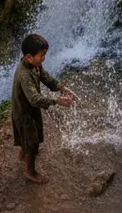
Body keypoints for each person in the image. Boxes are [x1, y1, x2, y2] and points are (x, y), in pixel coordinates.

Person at [11, 33, 75, 183]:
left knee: (29, 135)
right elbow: (34, 99)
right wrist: (57, 101)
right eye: (42, 55)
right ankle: (30, 171)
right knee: (32, 142)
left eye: (44, 54)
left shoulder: (35, 64)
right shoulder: (25, 75)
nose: (44, 58)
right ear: (28, 57)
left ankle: (23, 151)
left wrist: (61, 88)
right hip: (24, 111)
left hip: (29, 110)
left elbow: (45, 77)